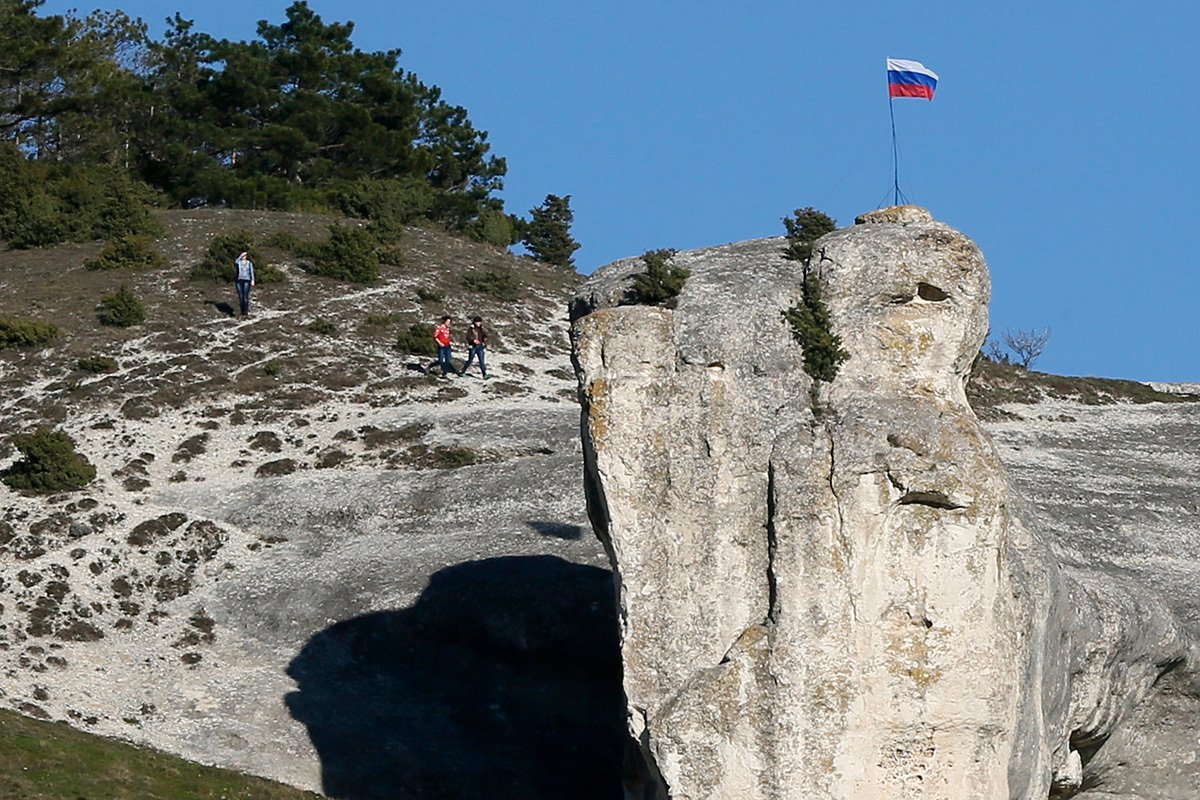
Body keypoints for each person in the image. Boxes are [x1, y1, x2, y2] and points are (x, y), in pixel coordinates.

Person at [234, 251, 255, 319]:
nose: (244, 257)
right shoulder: (239, 263)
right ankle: (242, 312)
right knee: (241, 297)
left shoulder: (249, 263)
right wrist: (240, 256)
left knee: (245, 297)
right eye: (243, 256)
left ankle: (245, 312)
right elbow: (236, 261)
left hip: (247, 280)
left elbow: (251, 272)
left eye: (245, 255)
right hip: (239, 280)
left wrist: (252, 280)